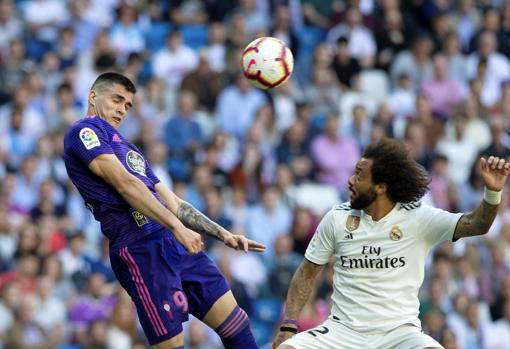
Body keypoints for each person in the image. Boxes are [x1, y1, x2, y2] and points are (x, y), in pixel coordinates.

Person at [63, 72, 265, 349]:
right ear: (93, 96)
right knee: (171, 345)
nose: (122, 109)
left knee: (236, 324)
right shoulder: (83, 132)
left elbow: (174, 201)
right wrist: (177, 227)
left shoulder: (127, 146)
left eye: (128, 105)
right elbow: (125, 185)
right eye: (117, 100)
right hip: (140, 248)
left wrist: (224, 235)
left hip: (173, 242)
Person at [272, 138, 510, 349]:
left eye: (359, 175)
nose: (350, 180)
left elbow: (477, 224)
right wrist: (288, 327)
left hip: (399, 334)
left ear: (381, 187)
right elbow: (306, 274)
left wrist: (492, 192)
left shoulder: (418, 219)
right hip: (342, 332)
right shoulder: (337, 218)